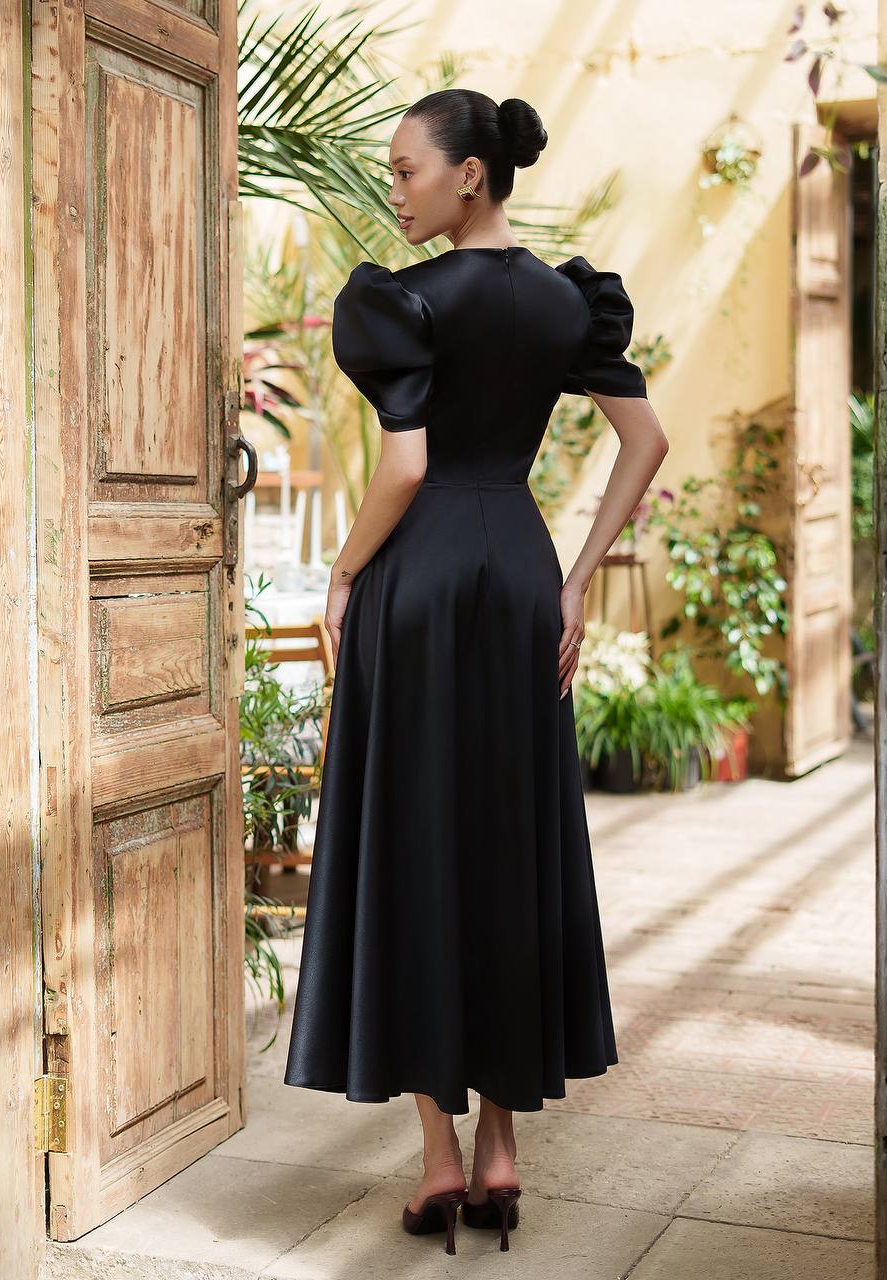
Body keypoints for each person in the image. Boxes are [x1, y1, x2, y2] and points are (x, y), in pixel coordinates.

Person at [282, 88, 669, 1254]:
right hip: (518, 576)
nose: (392, 188)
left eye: (404, 170)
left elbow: (402, 469)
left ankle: (439, 1158)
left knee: (410, 840)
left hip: (420, 582)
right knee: (508, 840)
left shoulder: (401, 301)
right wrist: (582, 571)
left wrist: (344, 575)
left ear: (468, 177)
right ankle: (502, 1146)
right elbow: (644, 441)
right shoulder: (567, 302)